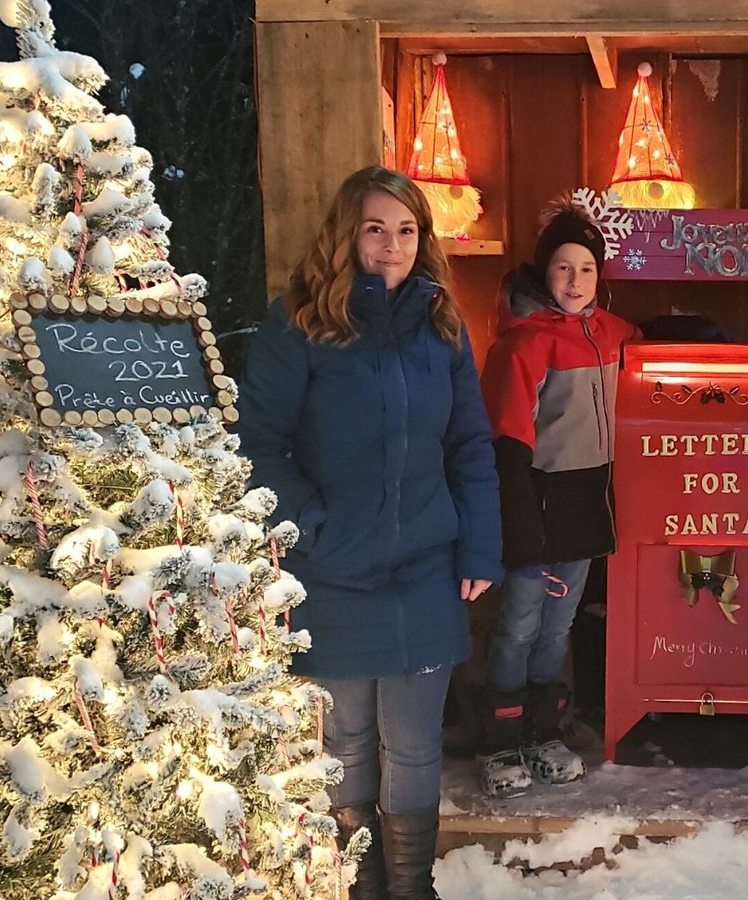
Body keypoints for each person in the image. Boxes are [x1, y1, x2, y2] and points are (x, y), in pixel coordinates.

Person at [237, 166, 503, 900]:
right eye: (375, 229)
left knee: (415, 745)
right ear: (346, 235)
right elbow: (259, 443)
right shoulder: (297, 323)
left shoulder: (443, 327)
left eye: (407, 231)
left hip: (425, 566)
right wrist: (313, 529)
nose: (391, 246)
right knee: (347, 742)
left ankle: (411, 890)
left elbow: (470, 445)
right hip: (331, 570)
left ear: (424, 240)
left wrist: (479, 545)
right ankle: (359, 888)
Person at [475, 198, 640, 798]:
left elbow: (652, 356)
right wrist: (515, 525)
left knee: (557, 627)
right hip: (534, 506)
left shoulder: (613, 334)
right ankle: (500, 740)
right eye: (563, 268)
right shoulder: (523, 344)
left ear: (601, 276)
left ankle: (545, 732)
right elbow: (506, 443)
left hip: (583, 509)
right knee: (518, 627)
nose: (575, 281)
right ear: (545, 272)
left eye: (587, 269)